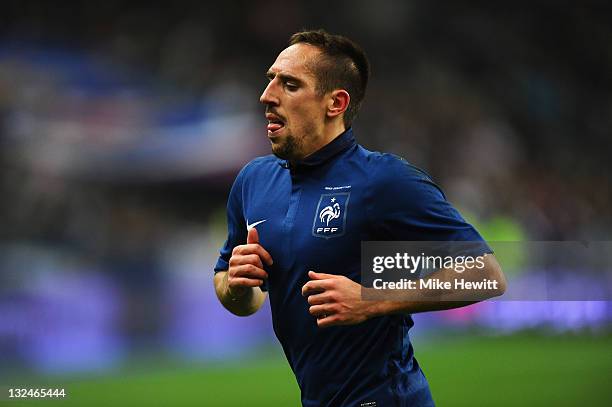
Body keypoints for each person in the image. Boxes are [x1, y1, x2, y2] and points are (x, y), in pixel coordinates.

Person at [213, 29, 506, 406]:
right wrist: (237, 285)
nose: (267, 96)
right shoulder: (253, 182)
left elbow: (486, 274)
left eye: (289, 84)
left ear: (335, 103)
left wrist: (371, 299)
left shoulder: (384, 180)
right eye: (270, 80)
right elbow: (242, 298)